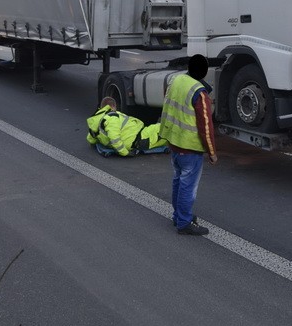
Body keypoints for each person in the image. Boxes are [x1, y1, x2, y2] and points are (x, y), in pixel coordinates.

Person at [158, 54, 217, 236]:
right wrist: (212, 152)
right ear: (204, 73)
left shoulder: (176, 80)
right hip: (189, 147)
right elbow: (205, 126)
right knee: (187, 186)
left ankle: (178, 215)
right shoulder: (199, 93)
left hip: (174, 142)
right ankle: (184, 222)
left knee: (178, 180)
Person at [86, 97, 168, 157]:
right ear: (113, 106)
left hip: (134, 136)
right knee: (165, 127)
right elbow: (114, 137)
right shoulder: (112, 118)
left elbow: (91, 138)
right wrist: (125, 152)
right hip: (138, 138)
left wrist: (95, 142)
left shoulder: (97, 119)